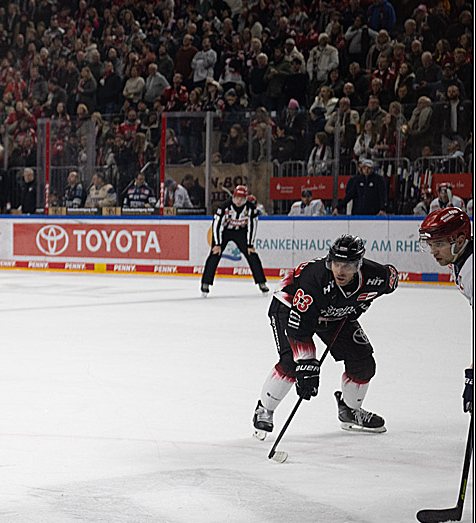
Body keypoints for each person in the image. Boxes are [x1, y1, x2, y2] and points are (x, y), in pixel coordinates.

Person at [252, 234, 399, 438]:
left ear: (358, 265)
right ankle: (265, 409)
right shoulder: (315, 279)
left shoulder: (376, 276)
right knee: (293, 363)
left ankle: (349, 410)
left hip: (333, 312)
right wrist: (307, 364)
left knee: (363, 362)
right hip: (290, 307)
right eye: (336, 264)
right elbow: (299, 329)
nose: (340, 271)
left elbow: (391, 278)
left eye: (347, 266)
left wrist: (363, 302)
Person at [418, 207, 473, 413]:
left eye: (439, 244)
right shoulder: (462, 258)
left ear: (459, 241)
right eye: (431, 244)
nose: (433, 251)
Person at [200, 185, 268, 295]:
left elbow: (253, 226)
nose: (238, 201)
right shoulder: (224, 207)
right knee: (214, 254)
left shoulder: (250, 209)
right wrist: (217, 244)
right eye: (236, 198)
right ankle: (205, 284)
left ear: (245, 199)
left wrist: (250, 244)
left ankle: (262, 283)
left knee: (252, 255)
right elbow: (216, 225)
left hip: (241, 232)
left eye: (241, 199)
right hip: (225, 232)